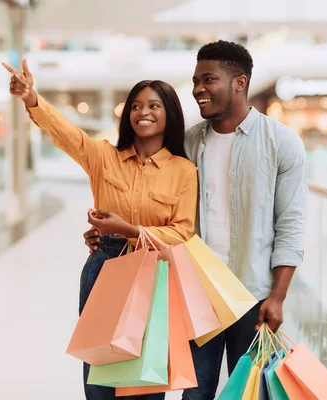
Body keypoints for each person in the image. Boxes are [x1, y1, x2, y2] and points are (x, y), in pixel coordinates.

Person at [85, 40, 308, 400]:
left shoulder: (281, 143)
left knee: (249, 392)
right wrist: (108, 233)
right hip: (195, 292)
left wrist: (278, 296)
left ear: (239, 82)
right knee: (195, 393)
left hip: (253, 294)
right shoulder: (187, 144)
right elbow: (152, 200)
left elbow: (291, 225)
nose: (198, 90)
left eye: (208, 80)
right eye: (195, 81)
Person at [3, 60, 198, 400]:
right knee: (102, 370)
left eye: (154, 105)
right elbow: (67, 134)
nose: (143, 112)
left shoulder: (183, 170)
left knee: (146, 372)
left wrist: (131, 229)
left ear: (170, 114)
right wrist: (31, 97)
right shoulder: (104, 157)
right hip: (106, 267)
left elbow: (182, 232)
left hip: (156, 273)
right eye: (136, 106)